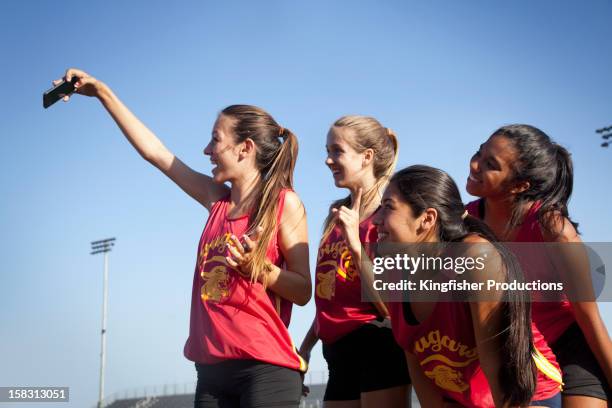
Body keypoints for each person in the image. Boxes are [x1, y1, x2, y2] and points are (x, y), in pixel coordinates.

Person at [54, 69, 311, 408]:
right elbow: (157, 154)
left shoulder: (284, 204)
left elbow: (304, 291)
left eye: (215, 139)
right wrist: (102, 93)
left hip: (264, 371)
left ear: (244, 149)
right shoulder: (215, 199)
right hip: (210, 374)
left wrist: (261, 269)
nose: (206, 149)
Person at [376, 165, 563, 407]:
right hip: (464, 400)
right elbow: (417, 364)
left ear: (427, 219)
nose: (376, 219)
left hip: (523, 396)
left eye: (388, 207)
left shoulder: (474, 257)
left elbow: (495, 362)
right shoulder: (395, 272)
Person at [466, 125, 612, 407]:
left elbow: (589, 319)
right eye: (478, 153)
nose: (474, 165)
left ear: (520, 186)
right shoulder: (465, 222)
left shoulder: (553, 230)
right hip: (517, 350)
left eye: (490, 165)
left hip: (570, 348)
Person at [298, 116, 411, 408]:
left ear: (366, 157)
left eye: (337, 151)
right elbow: (332, 295)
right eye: (327, 151)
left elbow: (389, 306)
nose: (328, 160)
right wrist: (306, 348)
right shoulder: (337, 217)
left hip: (376, 344)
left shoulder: (388, 219)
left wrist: (356, 244)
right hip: (336, 351)